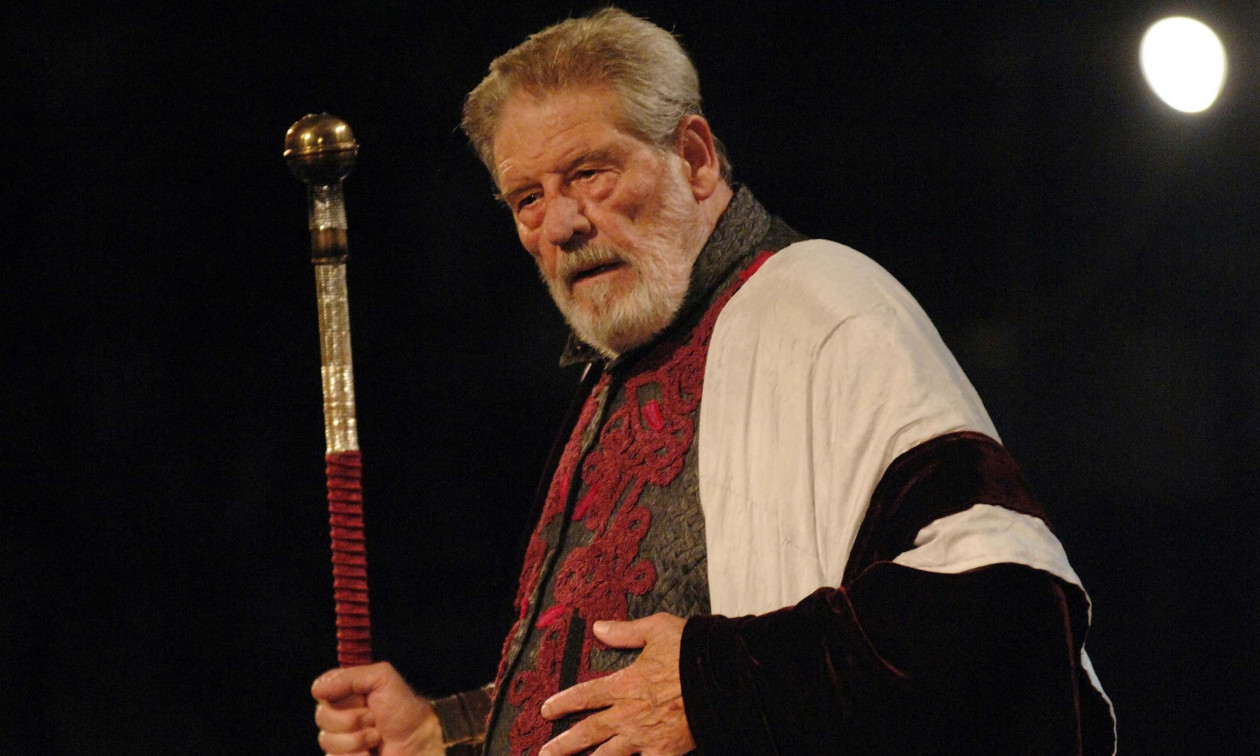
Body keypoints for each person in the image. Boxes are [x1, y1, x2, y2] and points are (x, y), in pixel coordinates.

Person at [313, 7, 1115, 755]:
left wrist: (715, 685)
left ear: (694, 158)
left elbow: (1010, 622)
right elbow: (612, 693)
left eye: (589, 173)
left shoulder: (823, 307)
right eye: (528, 198)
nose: (561, 224)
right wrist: (445, 734)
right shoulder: (620, 377)